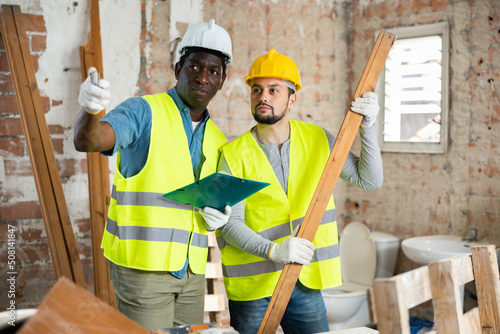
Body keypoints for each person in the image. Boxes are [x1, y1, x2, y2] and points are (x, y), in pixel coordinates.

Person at [74, 19, 234, 331]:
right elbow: (89, 140)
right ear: (178, 69)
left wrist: (219, 214)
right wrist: (90, 109)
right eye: (194, 66)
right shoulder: (142, 112)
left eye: (213, 71)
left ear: (222, 80)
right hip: (143, 270)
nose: (203, 77)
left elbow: (203, 200)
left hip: (192, 272)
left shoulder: (217, 139)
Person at [215, 49, 384, 334]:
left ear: (292, 99)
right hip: (253, 287)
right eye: (256, 90)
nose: (263, 97)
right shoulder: (234, 155)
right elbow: (231, 225)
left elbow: (369, 180)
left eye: (273, 90)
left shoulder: (319, 140)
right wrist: (274, 250)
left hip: (304, 281)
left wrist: (368, 127)